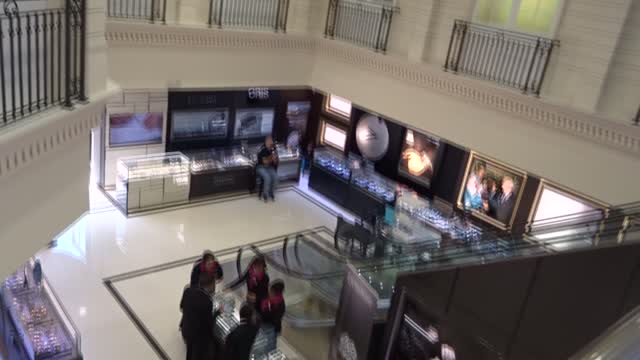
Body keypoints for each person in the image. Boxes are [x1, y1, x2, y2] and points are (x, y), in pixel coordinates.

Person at [180, 272, 220, 360]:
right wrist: (217, 313)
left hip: (187, 329)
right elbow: (209, 323)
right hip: (198, 336)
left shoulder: (188, 291)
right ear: (210, 285)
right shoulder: (207, 302)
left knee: (189, 351)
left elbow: (182, 306)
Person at [256, 135, 279, 202]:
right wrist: (272, 158)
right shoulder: (262, 149)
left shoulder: (273, 149)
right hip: (260, 167)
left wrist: (275, 159)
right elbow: (265, 162)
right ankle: (265, 194)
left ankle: (271, 193)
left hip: (269, 167)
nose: (271, 142)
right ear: (266, 142)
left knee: (275, 177)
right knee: (267, 177)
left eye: (271, 141)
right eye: (269, 141)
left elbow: (275, 162)